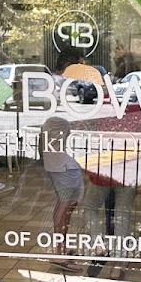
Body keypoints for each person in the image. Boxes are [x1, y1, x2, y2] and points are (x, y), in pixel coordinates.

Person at [40, 116, 84, 272]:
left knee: (67, 203)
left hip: (58, 163)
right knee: (65, 204)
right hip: (59, 165)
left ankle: (61, 246)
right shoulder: (57, 122)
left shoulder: (52, 122)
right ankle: (58, 251)